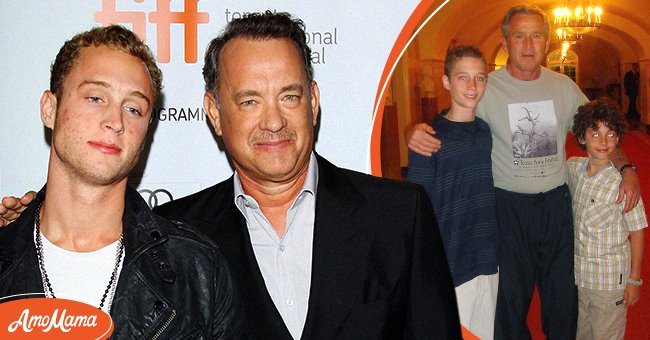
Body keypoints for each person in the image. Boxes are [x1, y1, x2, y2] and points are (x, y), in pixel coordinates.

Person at [0, 12, 462, 339]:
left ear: (314, 101)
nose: (274, 121)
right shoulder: (176, 241)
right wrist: (24, 224)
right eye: (248, 101)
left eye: (289, 96)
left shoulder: (400, 216)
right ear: (215, 114)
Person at [404, 4, 641, 339]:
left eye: (535, 36)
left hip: (556, 208)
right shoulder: (487, 87)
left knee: (562, 300)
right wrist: (411, 131)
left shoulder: (563, 87)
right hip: (508, 209)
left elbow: (603, 131)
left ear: (545, 42)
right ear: (504, 42)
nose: (528, 45)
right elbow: (448, 122)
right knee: (510, 304)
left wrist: (627, 167)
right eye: (519, 36)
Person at [0, 25, 240, 339]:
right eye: (96, 98)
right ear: (50, 108)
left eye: (133, 108)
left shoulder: (198, 271)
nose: (115, 121)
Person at [406, 45, 498, 340]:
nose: (472, 86)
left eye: (479, 78)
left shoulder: (484, 131)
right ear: (446, 81)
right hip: (451, 260)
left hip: (486, 254)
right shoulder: (429, 138)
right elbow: (418, 209)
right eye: (462, 78)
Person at [567, 97, 646, 340]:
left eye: (610, 134)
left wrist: (634, 280)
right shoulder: (573, 169)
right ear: (581, 137)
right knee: (583, 333)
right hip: (581, 277)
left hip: (610, 281)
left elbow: (638, 231)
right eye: (595, 133)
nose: (603, 141)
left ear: (619, 138)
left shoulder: (623, 185)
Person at [623, 63, 640, 129]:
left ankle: (630, 115)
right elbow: (625, 82)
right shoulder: (628, 74)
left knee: (632, 103)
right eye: (635, 66)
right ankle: (632, 115)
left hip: (635, 91)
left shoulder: (637, 74)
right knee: (632, 102)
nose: (636, 68)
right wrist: (627, 89)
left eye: (637, 67)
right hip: (630, 91)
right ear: (632, 67)